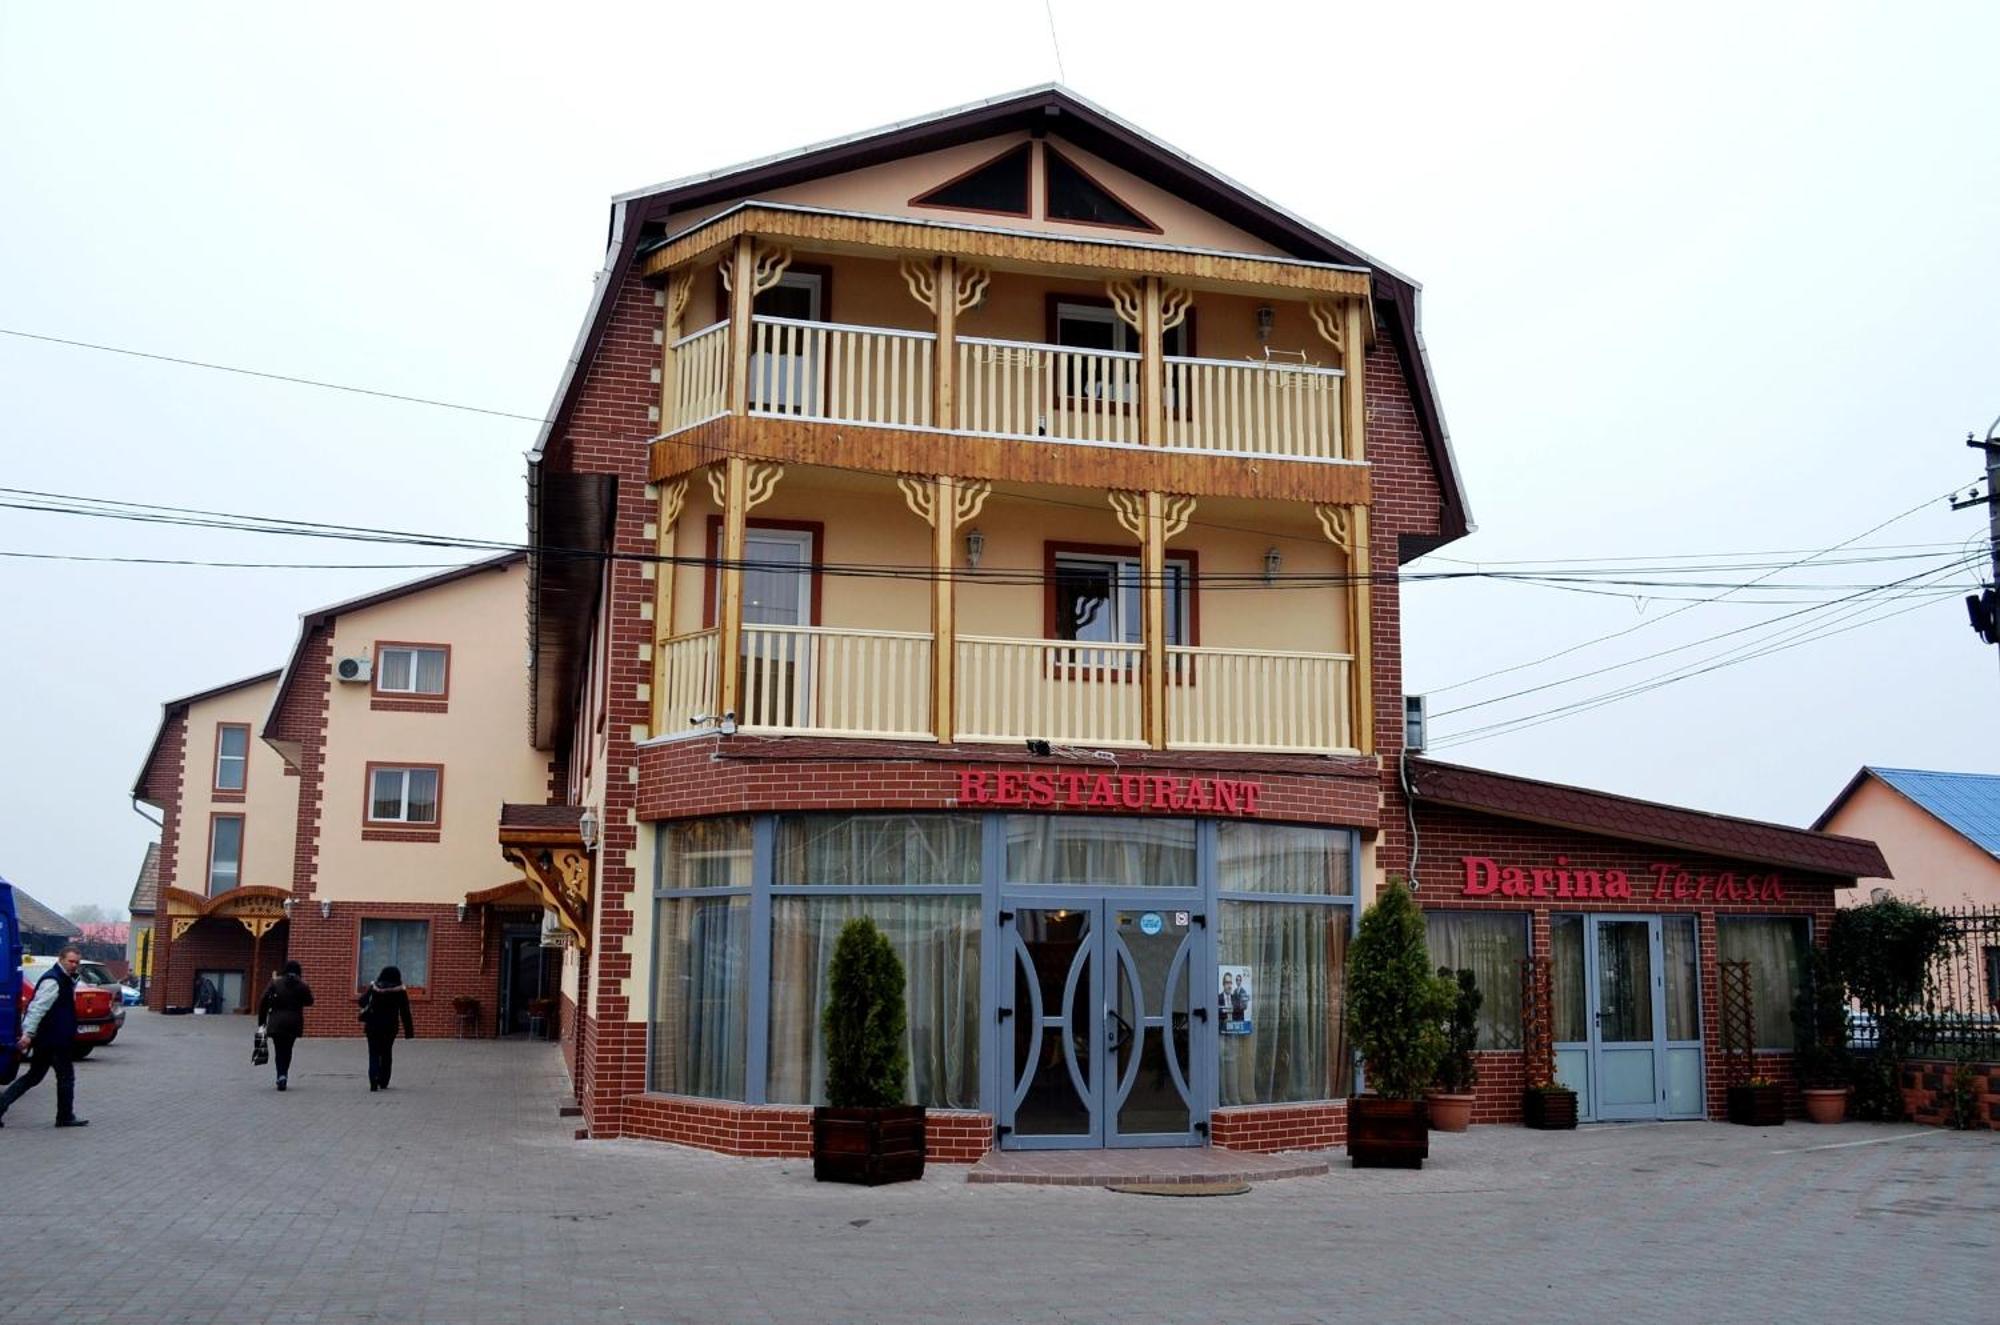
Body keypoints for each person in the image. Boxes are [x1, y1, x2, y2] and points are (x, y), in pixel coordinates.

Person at [0, 944, 88, 1129]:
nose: (74, 965)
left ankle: (1, 1106)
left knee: (33, 1077)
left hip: (52, 1038)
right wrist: (28, 1033)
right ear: (61, 959)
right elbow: (37, 1008)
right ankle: (65, 1116)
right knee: (65, 1076)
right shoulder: (54, 980)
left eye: (77, 962)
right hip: (54, 1039)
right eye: (71, 961)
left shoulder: (65, 979)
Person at [256, 960, 315, 1092]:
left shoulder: (275, 983)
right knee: (288, 1049)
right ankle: (284, 1074)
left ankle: (280, 1075)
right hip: (294, 1022)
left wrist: (261, 1022)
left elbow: (263, 1001)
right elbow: (310, 1001)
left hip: (277, 1021)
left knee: (279, 1050)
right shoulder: (302, 985)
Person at [356, 965, 415, 1091]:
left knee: (373, 1053)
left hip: (372, 1025)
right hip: (390, 1026)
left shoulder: (374, 987)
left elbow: (362, 1001)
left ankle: (373, 1080)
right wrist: (409, 1032)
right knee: (386, 1052)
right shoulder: (400, 991)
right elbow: (405, 1012)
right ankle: (383, 1081)